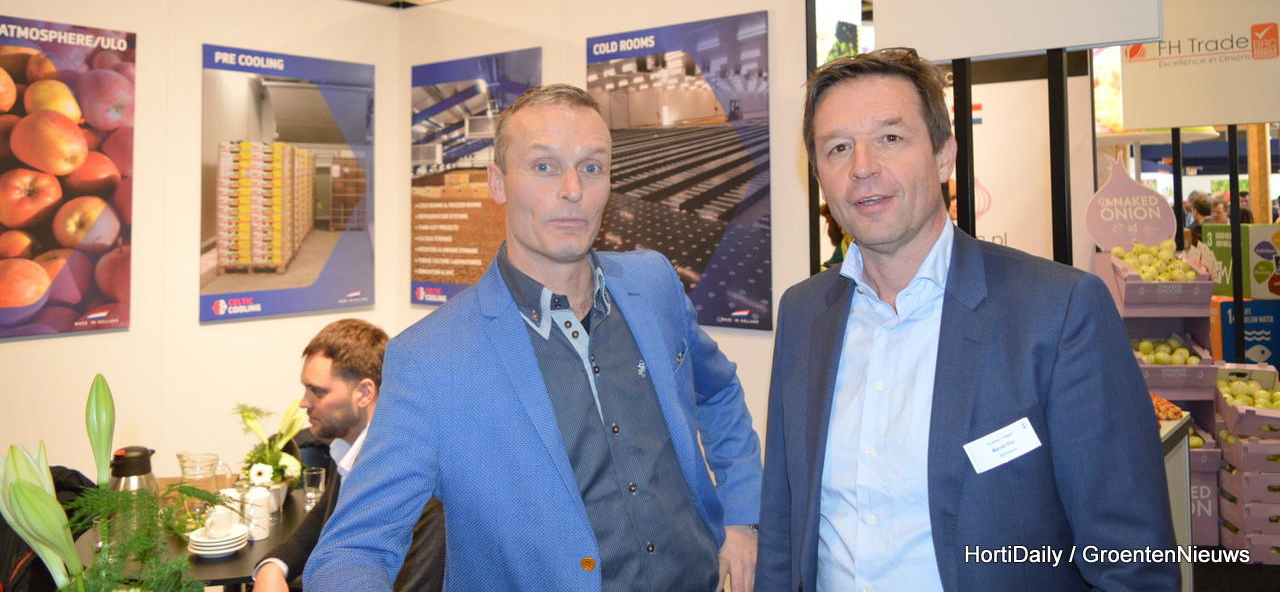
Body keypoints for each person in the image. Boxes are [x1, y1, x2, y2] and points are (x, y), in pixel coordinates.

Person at [306, 85, 762, 591]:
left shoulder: (653, 283)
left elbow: (718, 391)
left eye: (592, 167)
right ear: (497, 182)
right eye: (544, 166)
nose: (573, 189)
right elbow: (355, 548)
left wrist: (743, 515)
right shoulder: (430, 359)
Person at [757, 49, 1176, 591]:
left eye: (890, 138)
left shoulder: (1058, 311)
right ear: (819, 176)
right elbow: (783, 526)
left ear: (944, 156)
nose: (862, 166)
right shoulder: (803, 313)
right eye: (838, 147)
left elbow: (1132, 559)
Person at [253, 319, 445, 592]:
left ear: (364, 393)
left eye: (318, 391)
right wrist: (273, 567)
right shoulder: (345, 448)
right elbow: (321, 522)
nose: (304, 403)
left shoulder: (418, 493)